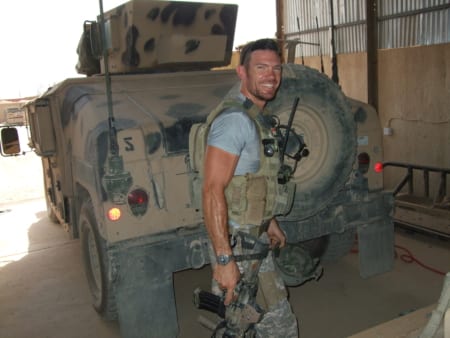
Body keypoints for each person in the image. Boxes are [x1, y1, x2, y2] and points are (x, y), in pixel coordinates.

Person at [202, 38, 299, 337]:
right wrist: (224, 259)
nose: (271, 76)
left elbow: (250, 181)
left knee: (243, 325)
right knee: (271, 327)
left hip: (253, 242)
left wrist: (269, 222)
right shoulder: (235, 121)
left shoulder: (255, 118)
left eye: (276, 68)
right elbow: (212, 190)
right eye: (261, 67)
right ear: (242, 72)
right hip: (236, 247)